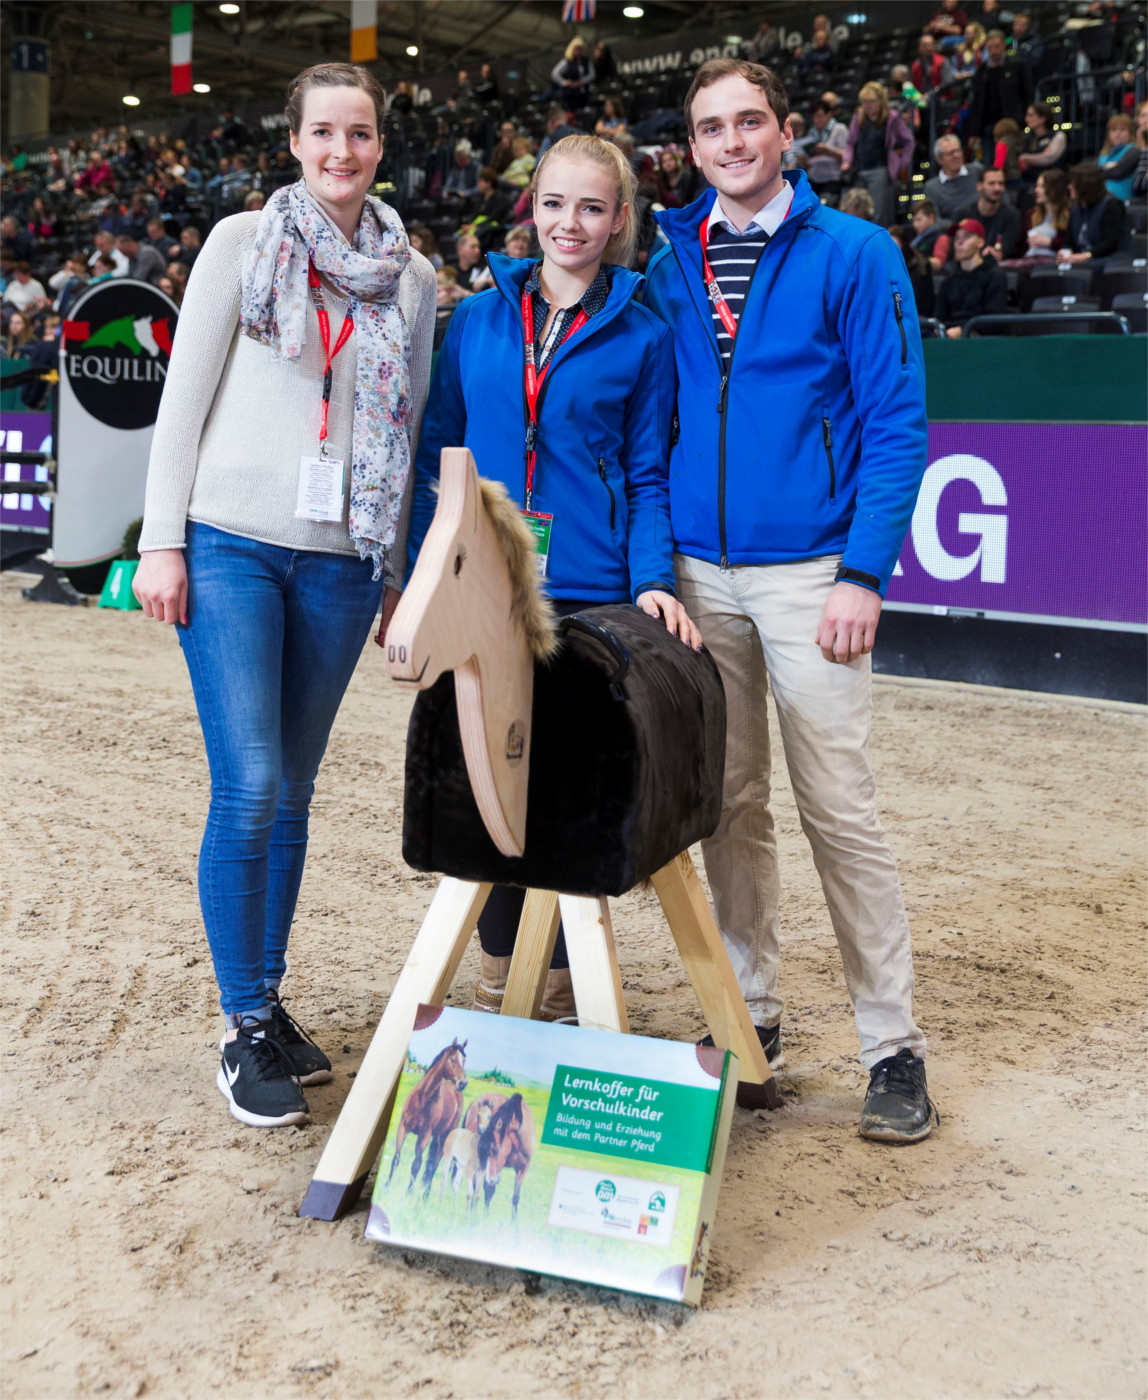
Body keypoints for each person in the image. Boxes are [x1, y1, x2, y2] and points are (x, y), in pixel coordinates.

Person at [132, 62, 436, 1131]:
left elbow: (397, 449)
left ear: (379, 147)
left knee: (296, 789)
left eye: (359, 133)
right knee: (251, 777)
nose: (341, 151)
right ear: (294, 142)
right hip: (228, 546)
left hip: (341, 562)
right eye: (322, 132)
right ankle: (239, 1019)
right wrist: (159, 540)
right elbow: (181, 403)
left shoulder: (413, 281)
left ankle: (268, 1000)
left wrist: (395, 575)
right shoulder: (236, 245)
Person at [644, 58, 936, 1142]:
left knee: (836, 807)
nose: (730, 141)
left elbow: (896, 423)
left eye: (748, 121)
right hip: (698, 575)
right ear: (692, 143)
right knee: (724, 802)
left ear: (783, 131)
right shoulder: (668, 258)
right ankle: (747, 1024)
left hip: (813, 570)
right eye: (710, 126)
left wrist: (863, 571)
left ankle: (892, 1046)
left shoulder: (856, 253)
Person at [408, 133, 697, 1021]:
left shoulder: (643, 335)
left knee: (567, 785)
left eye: (593, 208)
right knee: (483, 774)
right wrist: (427, 571)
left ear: (619, 222)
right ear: (530, 209)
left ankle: (567, 976)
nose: (571, 223)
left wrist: (652, 577)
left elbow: (649, 473)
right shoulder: (479, 320)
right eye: (555, 203)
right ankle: (501, 965)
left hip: (590, 585)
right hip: (488, 587)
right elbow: (440, 454)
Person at [841, 82, 914, 228]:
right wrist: (847, 160)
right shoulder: (858, 116)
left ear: (881, 101)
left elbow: (909, 141)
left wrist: (901, 164)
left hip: (880, 170)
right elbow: (850, 142)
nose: (868, 106)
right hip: (859, 169)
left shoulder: (891, 117)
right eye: (865, 102)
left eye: (872, 102)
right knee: (856, 210)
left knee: (878, 213)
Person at [935, 217, 1007, 334]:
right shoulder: (948, 282)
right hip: (950, 337)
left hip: (981, 341)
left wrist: (963, 330)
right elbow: (939, 318)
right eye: (957, 238)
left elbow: (994, 319)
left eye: (966, 237)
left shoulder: (995, 276)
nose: (959, 242)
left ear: (980, 242)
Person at [969, 29, 1033, 154]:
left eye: (997, 47)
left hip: (1012, 124)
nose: (993, 52)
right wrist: (975, 132)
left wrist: (1024, 120)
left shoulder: (1018, 66)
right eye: (990, 48)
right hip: (988, 127)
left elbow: (1028, 94)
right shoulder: (981, 71)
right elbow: (976, 104)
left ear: (1004, 45)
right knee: (990, 165)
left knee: (1011, 162)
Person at [1058, 161, 1127, 266]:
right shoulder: (1075, 211)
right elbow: (1068, 242)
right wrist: (1064, 254)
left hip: (1109, 260)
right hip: (1082, 260)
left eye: (1072, 183)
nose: (1069, 186)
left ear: (1084, 186)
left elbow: (1110, 243)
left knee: (1088, 268)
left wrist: (1086, 256)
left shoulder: (1110, 205)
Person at [957, 165, 1023, 259]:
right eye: (991, 183)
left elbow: (1007, 248)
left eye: (1001, 183)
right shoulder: (963, 213)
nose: (997, 188)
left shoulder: (1012, 215)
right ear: (979, 186)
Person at [923, 134, 982, 219]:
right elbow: (935, 220)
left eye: (958, 151)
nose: (956, 156)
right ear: (939, 159)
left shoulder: (977, 171)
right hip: (951, 230)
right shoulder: (932, 188)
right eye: (951, 153)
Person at [805, 99, 849, 204]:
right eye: (814, 117)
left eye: (819, 116)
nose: (816, 120)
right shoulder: (812, 131)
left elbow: (847, 156)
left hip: (832, 179)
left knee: (825, 206)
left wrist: (829, 150)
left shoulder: (839, 129)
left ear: (829, 114)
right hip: (813, 179)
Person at [887, 224, 936, 316]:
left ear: (904, 246)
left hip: (915, 318)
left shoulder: (921, 265)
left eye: (895, 247)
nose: (891, 251)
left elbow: (926, 304)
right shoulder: (883, 266)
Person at [1018, 101, 1067, 185]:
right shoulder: (1027, 138)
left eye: (1031, 115)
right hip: (1029, 182)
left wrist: (1025, 158)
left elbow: (1048, 158)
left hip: (1051, 183)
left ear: (1043, 118)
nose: (1027, 119)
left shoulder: (1058, 136)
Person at [1097, 113, 1138, 203]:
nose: (1117, 134)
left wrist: (1101, 170)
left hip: (1122, 202)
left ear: (1130, 133)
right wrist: (1106, 168)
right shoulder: (1103, 155)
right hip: (1101, 201)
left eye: (1123, 130)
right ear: (1108, 134)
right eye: (1113, 130)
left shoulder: (1133, 150)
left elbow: (1118, 172)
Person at [549, 36, 594, 110]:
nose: (578, 51)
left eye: (580, 49)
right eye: (577, 49)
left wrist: (581, 82)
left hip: (584, 93)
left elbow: (592, 75)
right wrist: (563, 82)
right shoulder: (567, 61)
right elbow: (555, 73)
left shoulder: (586, 61)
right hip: (570, 94)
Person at [911, 199, 946, 269]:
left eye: (918, 219)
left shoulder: (941, 238)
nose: (914, 224)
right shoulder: (918, 238)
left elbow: (938, 264)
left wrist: (915, 259)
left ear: (931, 217)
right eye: (913, 221)